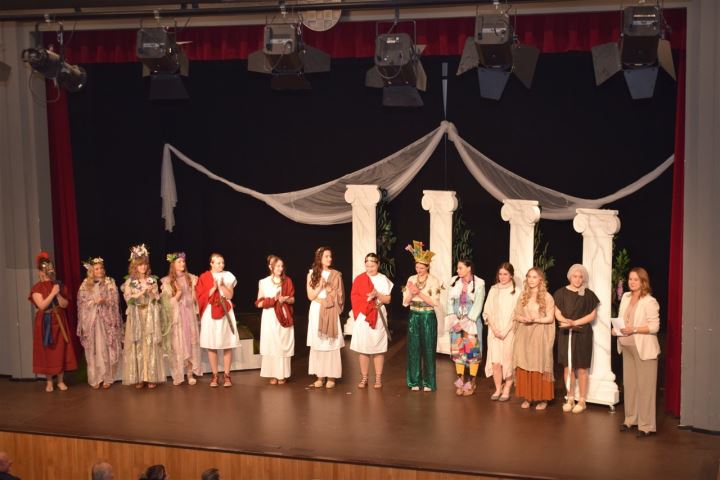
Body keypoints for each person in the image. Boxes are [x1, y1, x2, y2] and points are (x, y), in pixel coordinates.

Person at [613, 267, 661, 437]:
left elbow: (654, 327)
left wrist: (633, 329)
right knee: (630, 386)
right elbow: (622, 320)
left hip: (644, 349)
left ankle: (646, 425)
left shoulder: (650, 301)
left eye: (636, 279)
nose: (632, 282)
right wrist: (616, 330)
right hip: (627, 347)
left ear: (643, 282)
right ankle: (630, 419)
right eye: (630, 279)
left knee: (645, 388)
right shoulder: (626, 297)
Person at [29, 251, 78, 392]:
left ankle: (60, 381)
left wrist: (57, 294)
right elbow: (42, 306)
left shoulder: (58, 285)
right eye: (43, 270)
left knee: (61, 350)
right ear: (40, 272)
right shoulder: (37, 288)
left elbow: (65, 304)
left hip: (59, 320)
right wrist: (52, 294)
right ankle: (49, 381)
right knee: (47, 351)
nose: (46, 273)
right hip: (45, 322)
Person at [554, 263, 599, 414]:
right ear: (570, 277)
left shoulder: (588, 294)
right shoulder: (560, 293)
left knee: (582, 368)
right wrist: (565, 321)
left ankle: (582, 400)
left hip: (582, 333)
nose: (578, 279)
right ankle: (570, 398)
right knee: (568, 367)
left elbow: (592, 315)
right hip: (566, 333)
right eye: (575, 276)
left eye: (580, 277)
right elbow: (557, 312)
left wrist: (575, 322)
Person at [121, 244, 166, 389]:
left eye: (145, 264)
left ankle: (150, 376)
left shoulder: (152, 280)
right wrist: (142, 292)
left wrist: (152, 292)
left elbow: (157, 299)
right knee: (138, 344)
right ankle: (139, 377)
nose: (143, 267)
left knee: (150, 344)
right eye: (140, 265)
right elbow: (128, 299)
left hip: (149, 315)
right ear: (135, 266)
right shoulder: (130, 281)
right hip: (136, 315)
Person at [513, 268, 556, 410]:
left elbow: (550, 318)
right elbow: (516, 314)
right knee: (525, 363)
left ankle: (542, 399)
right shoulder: (523, 295)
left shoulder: (547, 297)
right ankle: (528, 397)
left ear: (540, 280)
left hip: (539, 335)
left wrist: (535, 319)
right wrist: (523, 318)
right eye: (529, 277)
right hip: (524, 334)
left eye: (534, 277)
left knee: (539, 364)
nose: (531, 280)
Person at [402, 241, 442, 392]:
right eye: (417, 267)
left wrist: (418, 293)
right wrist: (411, 293)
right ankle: (414, 381)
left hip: (427, 316)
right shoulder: (411, 279)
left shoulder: (434, 281)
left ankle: (428, 382)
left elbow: (434, 302)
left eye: (422, 268)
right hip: (414, 315)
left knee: (428, 348)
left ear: (428, 267)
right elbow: (405, 302)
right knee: (413, 348)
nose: (419, 270)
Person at [77, 257, 123, 389]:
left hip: (105, 320)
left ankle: (107, 377)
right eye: (96, 269)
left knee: (105, 348)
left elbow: (115, 300)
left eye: (101, 268)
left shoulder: (109, 282)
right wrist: (93, 302)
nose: (100, 270)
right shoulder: (85, 284)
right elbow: (82, 302)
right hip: (92, 321)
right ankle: (95, 378)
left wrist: (105, 301)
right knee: (93, 349)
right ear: (91, 270)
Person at [350, 253, 393, 389]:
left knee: (378, 348)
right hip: (363, 315)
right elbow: (354, 297)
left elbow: (388, 300)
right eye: (367, 266)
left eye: (372, 266)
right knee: (363, 347)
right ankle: (364, 377)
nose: (369, 269)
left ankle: (378, 378)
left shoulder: (382, 279)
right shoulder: (359, 279)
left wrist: (376, 294)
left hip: (378, 314)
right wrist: (363, 307)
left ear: (378, 264)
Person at [197, 253, 240, 387]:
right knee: (212, 343)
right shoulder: (204, 277)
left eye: (222, 262)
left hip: (225, 309)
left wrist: (222, 286)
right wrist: (214, 288)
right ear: (211, 263)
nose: (221, 265)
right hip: (210, 311)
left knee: (227, 343)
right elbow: (200, 296)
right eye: (218, 263)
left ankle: (227, 375)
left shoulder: (228, 275)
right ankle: (215, 375)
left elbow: (230, 295)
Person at [161, 252, 202, 386]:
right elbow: (167, 303)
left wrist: (194, 287)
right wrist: (178, 293)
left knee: (190, 342)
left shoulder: (191, 278)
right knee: (178, 344)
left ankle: (190, 374)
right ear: (173, 264)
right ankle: (178, 374)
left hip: (188, 314)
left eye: (183, 261)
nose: (182, 264)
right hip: (177, 316)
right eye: (179, 262)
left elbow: (194, 300)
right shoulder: (167, 281)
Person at [306, 246, 345, 389]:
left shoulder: (336, 275)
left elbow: (340, 296)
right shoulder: (311, 274)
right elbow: (310, 296)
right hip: (317, 309)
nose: (330, 259)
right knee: (318, 343)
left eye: (330, 256)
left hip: (331, 310)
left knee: (330, 344)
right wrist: (320, 286)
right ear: (319, 258)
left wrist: (329, 288)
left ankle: (331, 376)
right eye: (326, 256)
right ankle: (320, 376)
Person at [446, 259, 485, 396]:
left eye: (460, 268)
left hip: (471, 322)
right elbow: (449, 302)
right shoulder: (454, 281)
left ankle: (472, 382)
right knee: (458, 352)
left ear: (469, 268)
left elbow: (478, 305)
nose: (457, 270)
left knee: (472, 353)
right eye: (457, 268)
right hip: (456, 321)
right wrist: (453, 320)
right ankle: (460, 380)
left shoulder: (479, 283)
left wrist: (464, 323)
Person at [255, 255, 295, 385]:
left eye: (282, 266)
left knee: (282, 344)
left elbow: (293, 299)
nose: (280, 268)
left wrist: (285, 299)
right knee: (272, 344)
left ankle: (281, 374)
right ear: (270, 267)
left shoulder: (287, 280)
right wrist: (274, 300)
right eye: (277, 266)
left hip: (284, 315)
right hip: (270, 317)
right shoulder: (263, 282)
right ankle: (272, 374)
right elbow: (259, 303)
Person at [482, 262, 517, 401]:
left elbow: (517, 314)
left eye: (505, 274)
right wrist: (495, 329)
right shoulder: (493, 289)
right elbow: (487, 311)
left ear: (511, 275)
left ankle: (507, 388)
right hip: (494, 331)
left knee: (508, 362)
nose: (502, 277)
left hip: (509, 331)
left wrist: (506, 331)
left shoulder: (516, 291)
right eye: (500, 274)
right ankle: (498, 388)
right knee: (495, 362)